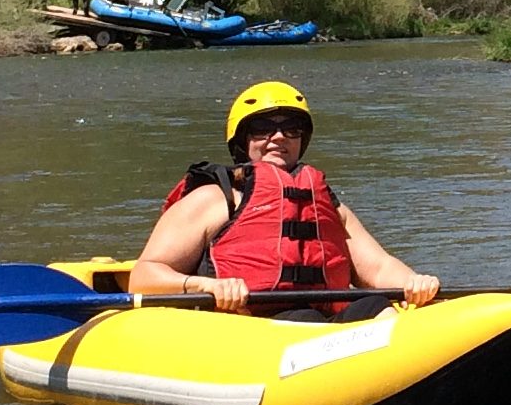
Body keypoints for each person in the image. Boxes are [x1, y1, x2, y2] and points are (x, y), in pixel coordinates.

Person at [128, 81, 442, 313]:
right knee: (304, 318)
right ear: (242, 141)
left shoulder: (330, 208)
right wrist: (206, 286)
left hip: (321, 324)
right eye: (263, 128)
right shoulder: (214, 198)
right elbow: (143, 277)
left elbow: (378, 268)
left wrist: (415, 282)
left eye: (291, 129)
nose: (279, 137)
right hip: (249, 324)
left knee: (375, 306)